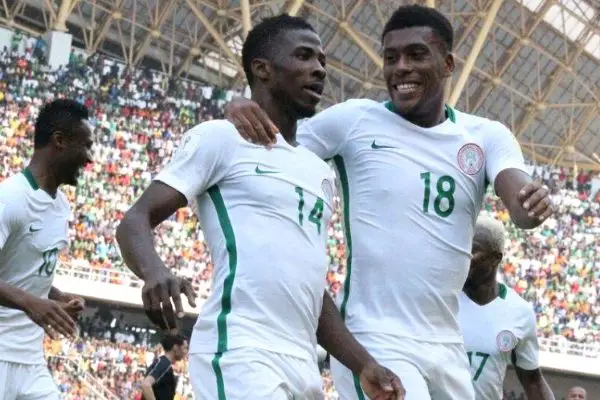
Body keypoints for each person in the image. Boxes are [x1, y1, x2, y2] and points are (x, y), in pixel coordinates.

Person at [222, 5, 554, 400]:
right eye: (391, 57)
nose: (401, 68)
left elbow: (519, 197)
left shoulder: (485, 136)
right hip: (374, 337)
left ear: (447, 64)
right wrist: (240, 106)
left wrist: (530, 204)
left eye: (416, 55)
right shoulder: (354, 121)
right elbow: (273, 142)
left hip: (447, 345)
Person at [117, 14, 404, 400]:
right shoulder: (222, 139)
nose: (319, 69)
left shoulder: (318, 172)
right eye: (304, 56)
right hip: (241, 350)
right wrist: (154, 271)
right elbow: (135, 219)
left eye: (322, 61)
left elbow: (311, 289)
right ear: (262, 69)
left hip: (303, 363)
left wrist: (363, 363)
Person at [0, 99, 91, 399]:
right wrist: (31, 302)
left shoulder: (61, 206)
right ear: (59, 141)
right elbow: (26, 295)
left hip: (30, 361)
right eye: (85, 146)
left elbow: (21, 271)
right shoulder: (10, 198)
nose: (89, 158)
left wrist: (57, 297)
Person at [459, 215, 554, 400]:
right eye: (463, 247)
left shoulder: (519, 312)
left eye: (473, 250)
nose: (465, 256)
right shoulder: (443, 298)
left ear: (496, 258)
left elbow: (533, 381)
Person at [140, 334, 188, 400]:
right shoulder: (164, 363)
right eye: (185, 348)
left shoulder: (165, 364)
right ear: (175, 347)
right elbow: (145, 385)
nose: (186, 352)